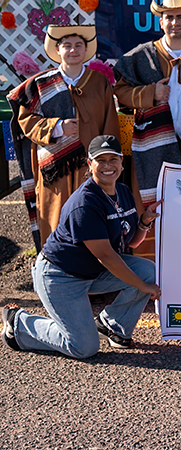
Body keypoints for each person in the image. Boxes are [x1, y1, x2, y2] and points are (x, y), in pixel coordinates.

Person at [2, 135, 160, 358]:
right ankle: (19, 323)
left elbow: (130, 242)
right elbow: (106, 256)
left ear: (121, 162)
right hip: (60, 277)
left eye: (113, 159)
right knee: (83, 347)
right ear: (89, 164)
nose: (107, 166)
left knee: (148, 272)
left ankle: (111, 326)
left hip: (92, 271)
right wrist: (143, 287)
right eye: (100, 160)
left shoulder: (123, 192)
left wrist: (144, 222)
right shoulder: (84, 203)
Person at [113, 0, 181, 259]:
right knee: (153, 202)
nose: (175, 22)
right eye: (169, 17)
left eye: (180, 16)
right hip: (153, 145)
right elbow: (120, 91)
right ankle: (150, 266)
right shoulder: (140, 56)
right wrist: (149, 93)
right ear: (160, 21)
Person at [7, 19, 119, 251]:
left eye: (78, 44)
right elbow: (25, 121)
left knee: (91, 215)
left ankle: (93, 268)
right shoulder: (40, 84)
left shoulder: (99, 82)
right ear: (57, 50)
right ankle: (55, 267)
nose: (73, 50)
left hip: (92, 167)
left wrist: (109, 161)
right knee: (54, 215)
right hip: (53, 168)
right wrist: (57, 127)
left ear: (86, 49)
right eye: (66, 45)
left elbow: (110, 123)